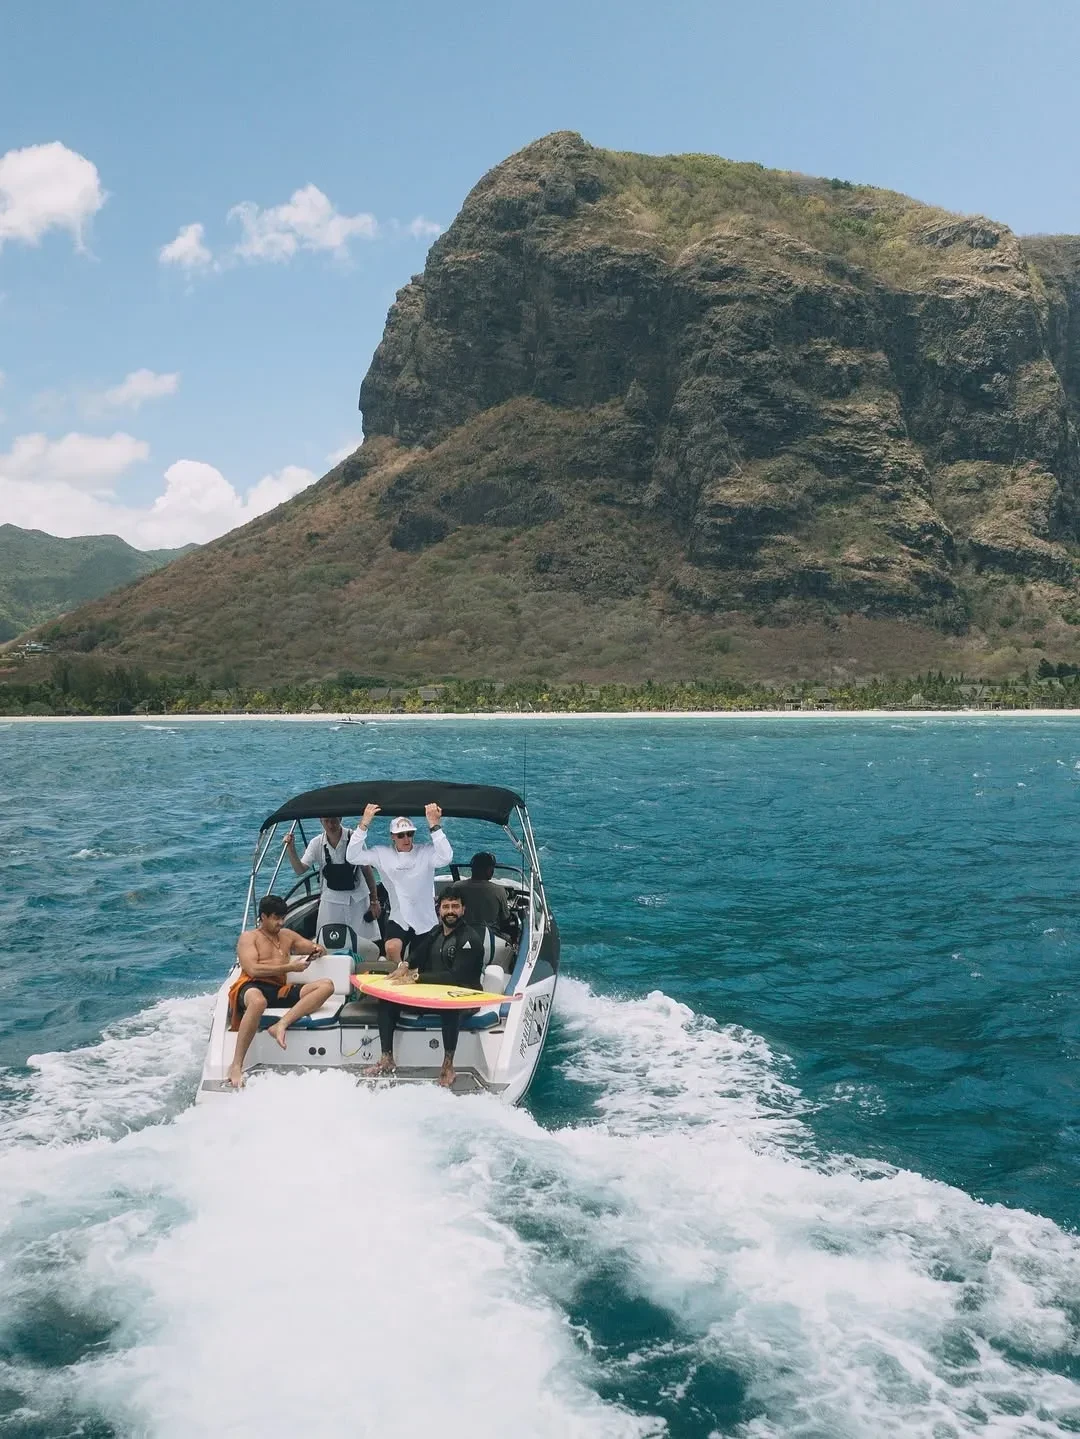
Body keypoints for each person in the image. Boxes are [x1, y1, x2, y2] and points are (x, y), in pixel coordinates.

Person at [364, 889, 484, 1087]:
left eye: (455, 906)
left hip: (463, 998)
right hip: (431, 995)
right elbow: (417, 954)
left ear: (463, 910)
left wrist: (415, 978)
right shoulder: (436, 931)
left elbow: (456, 977)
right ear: (439, 910)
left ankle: (448, 1066)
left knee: (449, 1006)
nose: (450, 911)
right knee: (387, 1000)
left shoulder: (469, 938)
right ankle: (386, 1058)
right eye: (446, 907)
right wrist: (404, 966)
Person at [226, 895, 333, 1088]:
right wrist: (290, 968)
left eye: (283, 918)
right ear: (263, 917)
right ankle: (236, 1065)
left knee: (327, 986)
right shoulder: (249, 938)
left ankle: (281, 1025)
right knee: (258, 1002)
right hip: (251, 985)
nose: (281, 923)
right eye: (276, 918)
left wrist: (318, 950)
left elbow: (317, 947)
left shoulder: (287, 935)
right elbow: (253, 969)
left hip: (278, 989)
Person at [346, 802, 452, 966]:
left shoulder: (425, 852)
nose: (406, 839)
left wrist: (434, 826)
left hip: (425, 919)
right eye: (401, 835)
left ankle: (410, 973)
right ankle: (400, 971)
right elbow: (352, 857)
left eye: (410, 834)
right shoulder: (382, 853)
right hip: (399, 916)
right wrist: (364, 825)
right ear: (392, 836)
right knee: (391, 948)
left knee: (421, 963)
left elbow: (446, 857)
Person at [283, 815, 380, 944]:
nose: (330, 825)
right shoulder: (316, 843)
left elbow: (367, 870)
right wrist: (291, 849)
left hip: (358, 900)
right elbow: (300, 869)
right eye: (326, 821)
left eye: (333, 820)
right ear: (321, 822)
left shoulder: (354, 839)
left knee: (364, 943)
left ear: (340, 819)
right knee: (328, 942)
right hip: (331, 901)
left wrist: (374, 901)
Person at [454, 851, 513, 934]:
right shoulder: (499, 890)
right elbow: (505, 918)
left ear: (472, 869)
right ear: (489, 870)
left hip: (462, 933)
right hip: (490, 935)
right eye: (491, 868)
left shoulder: (457, 886)